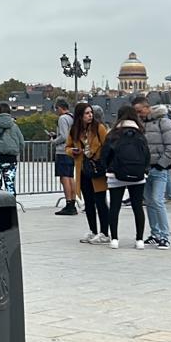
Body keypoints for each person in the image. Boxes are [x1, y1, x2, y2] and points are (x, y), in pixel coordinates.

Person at [98, 104, 151, 250]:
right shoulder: (140, 133)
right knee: (137, 207)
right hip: (138, 175)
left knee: (114, 207)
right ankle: (139, 240)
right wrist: (145, 170)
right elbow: (147, 155)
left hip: (116, 175)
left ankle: (114, 238)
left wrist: (107, 168)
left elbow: (105, 155)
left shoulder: (113, 134)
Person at [135, 97, 171, 247]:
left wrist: (161, 165)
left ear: (147, 108)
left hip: (159, 168)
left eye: (139, 111)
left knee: (157, 200)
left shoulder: (164, 122)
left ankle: (164, 235)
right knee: (149, 202)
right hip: (145, 169)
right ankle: (155, 233)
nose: (138, 114)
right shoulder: (141, 124)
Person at [67, 102, 109, 244]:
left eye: (91, 112)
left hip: (97, 170)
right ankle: (93, 231)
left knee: (100, 202)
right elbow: (68, 146)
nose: (90, 115)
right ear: (80, 115)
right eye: (87, 113)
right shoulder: (75, 130)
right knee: (88, 203)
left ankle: (105, 232)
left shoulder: (99, 128)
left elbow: (107, 147)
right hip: (83, 170)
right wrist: (72, 151)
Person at [54, 99, 79, 215]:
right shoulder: (72, 118)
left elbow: (64, 136)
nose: (56, 111)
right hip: (72, 150)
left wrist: (54, 141)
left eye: (56, 109)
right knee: (70, 176)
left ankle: (68, 203)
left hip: (63, 151)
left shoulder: (62, 118)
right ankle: (73, 202)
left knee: (64, 178)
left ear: (59, 107)